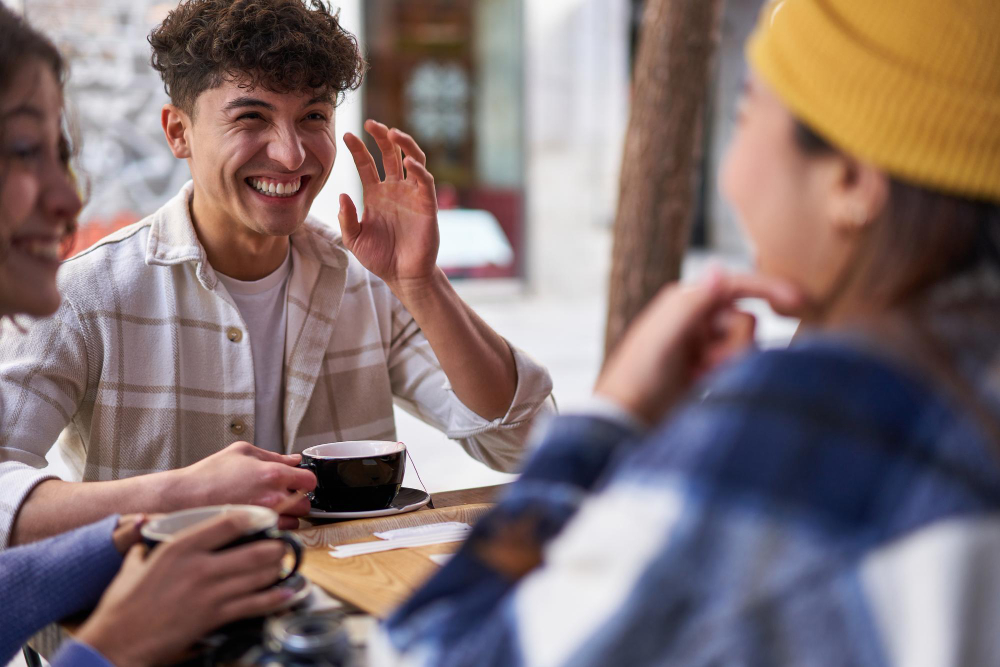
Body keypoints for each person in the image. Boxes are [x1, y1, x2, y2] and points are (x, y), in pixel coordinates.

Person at [372, 0, 1000, 664]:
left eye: (746, 111)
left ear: (849, 182)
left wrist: (614, 418)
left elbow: (431, 650)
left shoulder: (810, 422)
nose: (728, 167)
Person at [0, 0, 554, 549]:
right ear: (179, 132)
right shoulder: (86, 293)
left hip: (338, 620)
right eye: (251, 118)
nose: (291, 156)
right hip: (155, 627)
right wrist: (182, 493)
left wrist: (420, 283)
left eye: (313, 117)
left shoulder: (364, 279)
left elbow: (529, 443)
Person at [0, 6, 304, 665]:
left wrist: (136, 534)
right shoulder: (92, 286)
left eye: (64, 153)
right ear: (179, 132)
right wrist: (113, 645)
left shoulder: (355, 272)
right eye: (25, 151)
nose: (69, 196)